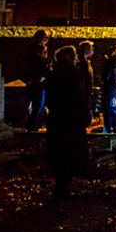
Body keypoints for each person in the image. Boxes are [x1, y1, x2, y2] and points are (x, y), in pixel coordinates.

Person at [46, 45, 91, 201]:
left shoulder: (53, 75)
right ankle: (64, 189)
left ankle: (61, 188)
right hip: (72, 120)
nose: (77, 58)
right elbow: (79, 98)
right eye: (74, 56)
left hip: (57, 120)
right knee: (70, 153)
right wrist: (85, 112)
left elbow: (49, 99)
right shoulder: (74, 75)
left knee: (60, 153)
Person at [24, 29, 50, 131]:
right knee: (37, 107)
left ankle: (34, 126)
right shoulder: (36, 55)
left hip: (37, 85)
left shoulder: (31, 51)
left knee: (38, 107)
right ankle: (33, 128)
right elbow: (41, 71)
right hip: (38, 85)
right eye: (46, 37)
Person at [77, 40, 96, 128]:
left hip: (85, 90)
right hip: (82, 91)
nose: (93, 50)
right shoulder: (80, 63)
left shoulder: (86, 62)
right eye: (91, 48)